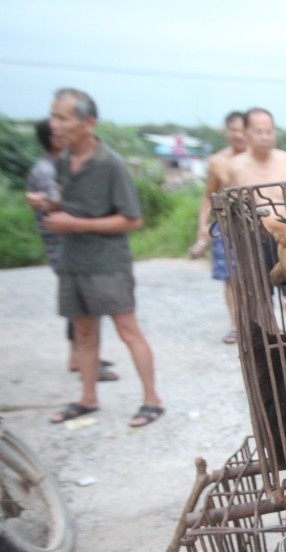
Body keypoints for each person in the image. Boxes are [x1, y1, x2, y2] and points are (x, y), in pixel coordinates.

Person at [29, 88, 163, 427]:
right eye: (53, 116)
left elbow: (132, 219)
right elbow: (73, 204)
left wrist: (74, 223)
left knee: (127, 330)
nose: (54, 124)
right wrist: (51, 206)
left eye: (62, 117)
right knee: (84, 333)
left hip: (108, 263)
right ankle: (88, 397)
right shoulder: (62, 161)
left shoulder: (111, 164)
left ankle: (152, 399)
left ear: (88, 122)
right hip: (73, 260)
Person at [27, 120, 118, 381]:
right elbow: (65, 208)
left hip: (70, 244)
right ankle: (83, 359)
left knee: (84, 304)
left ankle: (80, 356)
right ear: (55, 140)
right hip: (67, 246)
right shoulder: (49, 169)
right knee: (87, 303)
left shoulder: (59, 165)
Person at [227, 108, 286, 332]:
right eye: (259, 131)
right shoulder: (235, 166)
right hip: (253, 235)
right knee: (259, 294)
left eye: (269, 131)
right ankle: (271, 345)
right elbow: (231, 205)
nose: (265, 137)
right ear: (246, 133)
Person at [190, 111, 247, 344]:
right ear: (226, 132)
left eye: (243, 130)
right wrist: (203, 226)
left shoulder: (258, 159)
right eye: (234, 130)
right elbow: (208, 196)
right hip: (226, 225)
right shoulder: (217, 161)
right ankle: (235, 325)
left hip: (254, 226)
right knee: (230, 278)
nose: (239, 135)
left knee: (257, 277)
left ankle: (259, 323)